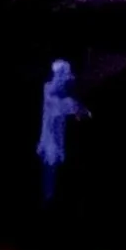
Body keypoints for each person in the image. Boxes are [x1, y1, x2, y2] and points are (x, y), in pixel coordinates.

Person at [38, 59, 85, 204]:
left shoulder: (59, 92)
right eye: (64, 74)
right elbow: (60, 106)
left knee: (54, 171)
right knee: (50, 171)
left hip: (57, 138)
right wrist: (77, 107)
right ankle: (48, 199)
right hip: (51, 140)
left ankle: (51, 197)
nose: (68, 77)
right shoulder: (50, 90)